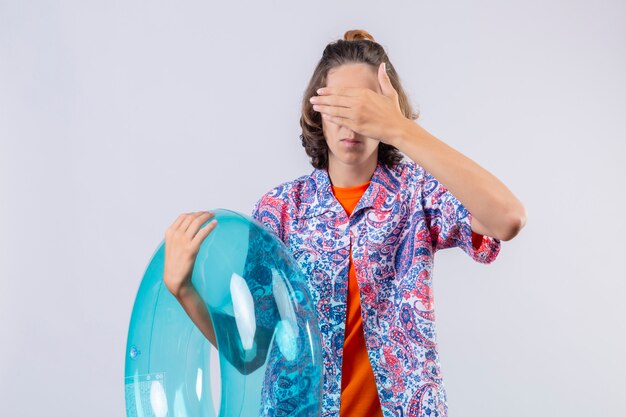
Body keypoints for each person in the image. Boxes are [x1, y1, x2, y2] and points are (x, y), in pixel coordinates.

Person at [163, 29, 527, 417]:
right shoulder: (281, 209)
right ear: (317, 109)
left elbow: (506, 218)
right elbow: (250, 349)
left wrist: (401, 130)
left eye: (366, 109)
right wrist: (182, 289)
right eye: (340, 107)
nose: (352, 124)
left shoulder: (417, 194)